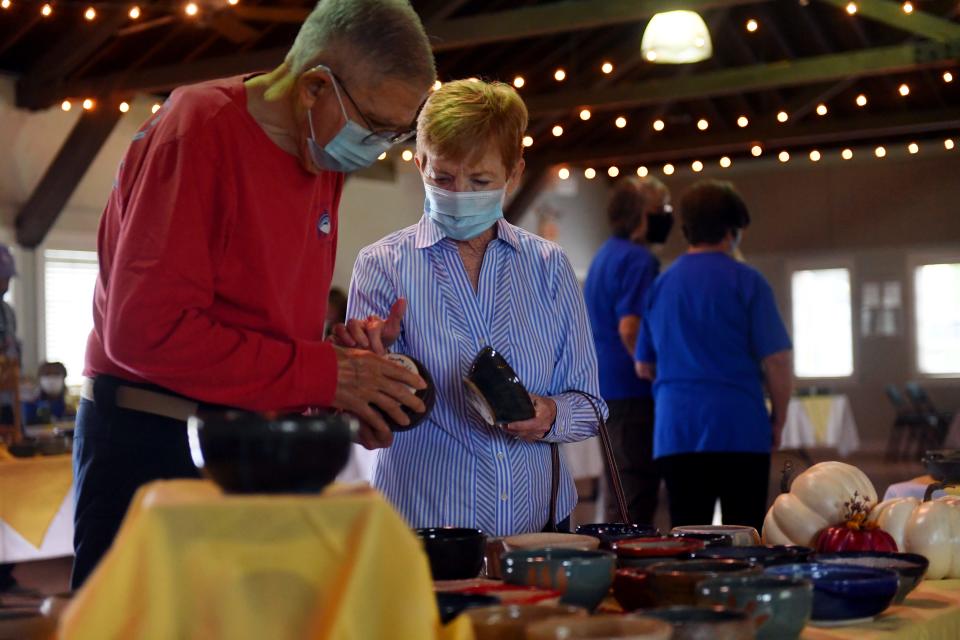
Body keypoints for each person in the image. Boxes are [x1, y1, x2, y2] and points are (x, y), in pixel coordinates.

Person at [73, 0, 436, 588]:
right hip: (156, 446)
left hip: (249, 445)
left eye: (394, 134)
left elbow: (255, 327)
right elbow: (146, 333)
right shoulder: (199, 129)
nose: (377, 148)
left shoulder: (319, 153)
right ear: (316, 87)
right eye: (375, 128)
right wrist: (325, 374)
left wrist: (345, 363)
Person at [335, 79, 605, 535]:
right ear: (419, 163)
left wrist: (549, 415)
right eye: (442, 177)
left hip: (538, 526)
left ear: (514, 174)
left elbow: (591, 404)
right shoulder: (383, 265)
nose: (459, 193)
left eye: (480, 181)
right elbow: (363, 422)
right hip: (428, 525)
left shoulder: (547, 265)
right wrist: (371, 376)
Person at [635, 180, 793, 533]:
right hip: (740, 425)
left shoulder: (661, 284)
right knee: (745, 533)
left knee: (688, 536)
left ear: (687, 228)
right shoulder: (748, 281)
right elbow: (777, 360)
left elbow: (644, 365)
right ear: (732, 230)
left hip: (678, 430)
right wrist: (779, 418)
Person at [583, 176, 672, 526]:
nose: (667, 217)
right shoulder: (638, 259)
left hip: (608, 388)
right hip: (633, 389)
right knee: (636, 493)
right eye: (661, 209)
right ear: (641, 215)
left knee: (620, 490)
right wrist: (648, 365)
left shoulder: (604, 255)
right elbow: (630, 326)